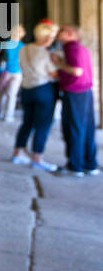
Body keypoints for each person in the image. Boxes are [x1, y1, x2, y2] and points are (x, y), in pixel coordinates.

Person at [51, 25, 99, 177]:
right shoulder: (81, 48)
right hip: (85, 91)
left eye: (62, 31)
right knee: (87, 127)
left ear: (71, 34)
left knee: (74, 128)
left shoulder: (71, 48)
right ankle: (90, 164)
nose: (58, 34)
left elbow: (77, 71)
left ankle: (75, 166)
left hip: (75, 92)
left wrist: (57, 62)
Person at [12, 19, 60, 172]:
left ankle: (17, 153)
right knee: (43, 125)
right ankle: (37, 157)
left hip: (27, 89)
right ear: (47, 37)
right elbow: (53, 73)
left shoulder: (24, 49)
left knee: (27, 122)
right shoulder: (46, 53)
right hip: (43, 89)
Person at [0, 24, 24, 121]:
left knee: (1, 93)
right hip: (18, 72)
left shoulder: (6, 43)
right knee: (12, 95)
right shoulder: (23, 46)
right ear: (22, 34)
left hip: (5, 71)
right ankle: (8, 116)